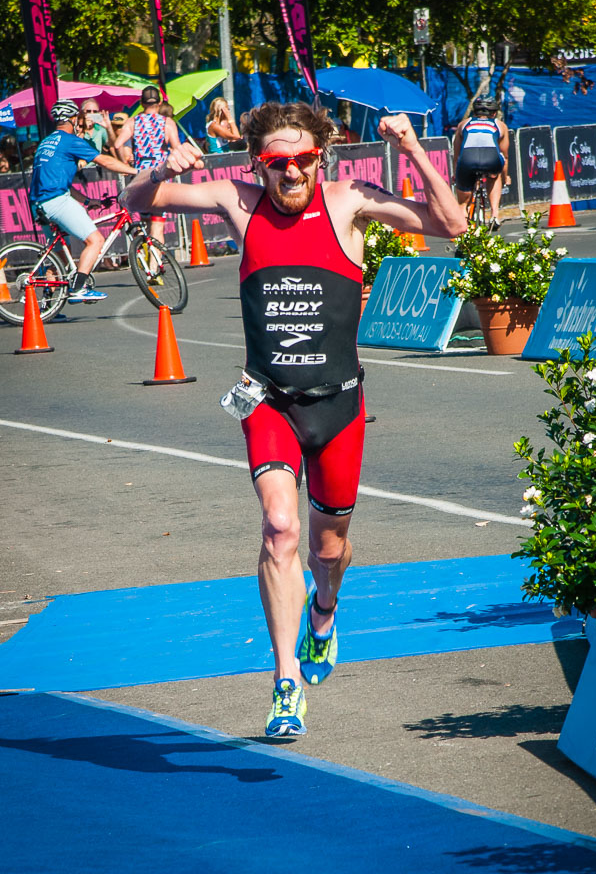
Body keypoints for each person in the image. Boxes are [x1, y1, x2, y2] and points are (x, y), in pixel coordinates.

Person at [120, 100, 466, 736]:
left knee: (327, 549)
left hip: (336, 406)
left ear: (320, 158)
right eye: (278, 163)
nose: (291, 173)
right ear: (260, 164)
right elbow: (141, 201)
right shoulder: (234, 199)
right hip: (269, 400)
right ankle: (285, 683)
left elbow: (454, 226)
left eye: (303, 160)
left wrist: (415, 148)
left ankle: (326, 609)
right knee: (280, 528)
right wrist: (158, 165)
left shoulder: (348, 201)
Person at [29, 99, 137, 302]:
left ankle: (45, 304)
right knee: (95, 240)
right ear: (73, 119)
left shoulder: (45, 142)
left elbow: (60, 181)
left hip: (38, 204)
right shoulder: (70, 140)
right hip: (55, 201)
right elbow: (104, 160)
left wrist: (87, 201)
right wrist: (135, 171)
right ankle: (78, 288)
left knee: (60, 252)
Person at [114, 85, 181, 245]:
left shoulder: (133, 122)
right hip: (160, 175)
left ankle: (143, 257)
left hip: (141, 175)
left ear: (142, 103)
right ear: (159, 103)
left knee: (144, 221)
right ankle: (154, 264)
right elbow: (177, 147)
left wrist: (124, 160)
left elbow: (117, 144)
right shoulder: (167, 122)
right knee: (157, 224)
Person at [453, 95, 510, 229]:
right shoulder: (500, 125)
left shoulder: (463, 124)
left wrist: (456, 175)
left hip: (467, 161)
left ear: (474, 112)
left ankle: (463, 226)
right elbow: (505, 156)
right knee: (494, 175)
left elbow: (456, 155)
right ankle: (495, 215)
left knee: (462, 202)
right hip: (492, 160)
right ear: (495, 113)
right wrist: (505, 176)